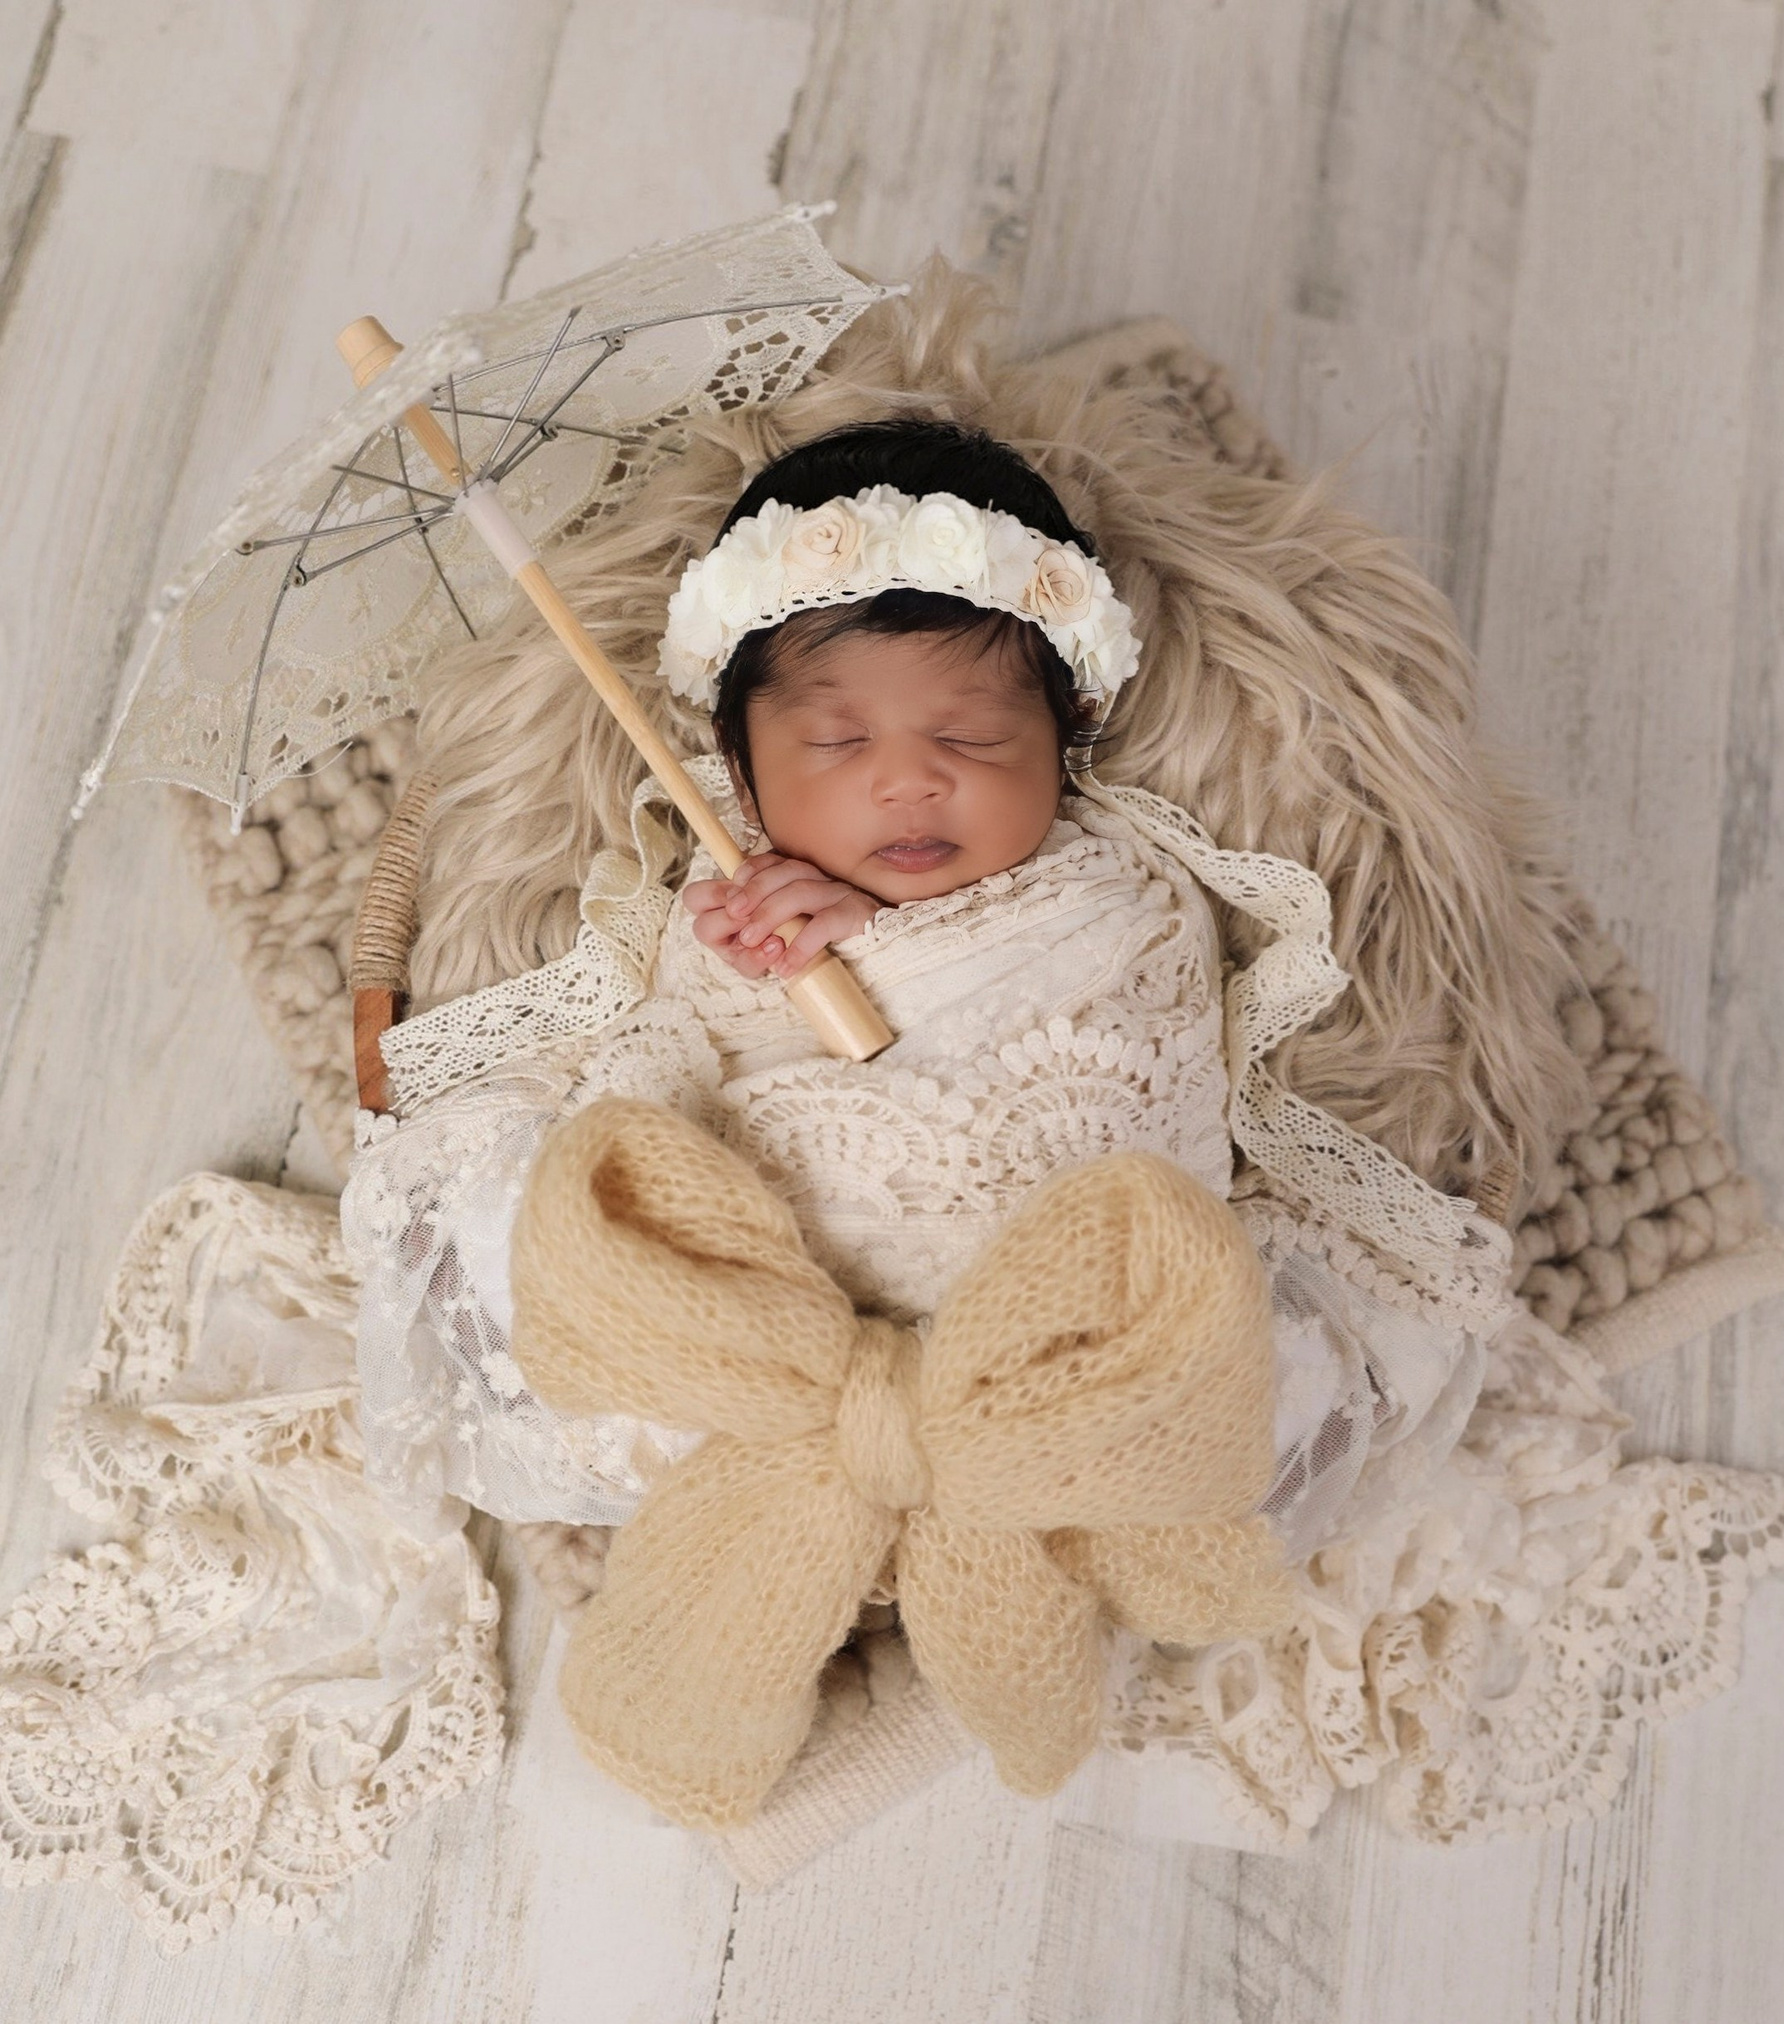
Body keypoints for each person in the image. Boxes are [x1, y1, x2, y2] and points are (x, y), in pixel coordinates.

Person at [343, 418, 1507, 1572]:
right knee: (546, 1217)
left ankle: (948, 1512)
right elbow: (670, 1071)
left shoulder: (1114, 894)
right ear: (741, 768)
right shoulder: (726, 888)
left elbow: (1138, 1091)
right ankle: (834, 1492)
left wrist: (886, 952)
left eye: (973, 736)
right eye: (837, 741)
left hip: (1043, 1339)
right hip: (774, 1324)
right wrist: (753, 969)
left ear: (1065, 738)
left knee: (1233, 1385)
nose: (908, 779)